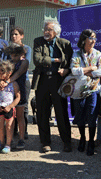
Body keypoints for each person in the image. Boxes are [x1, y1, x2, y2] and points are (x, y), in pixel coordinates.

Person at [32, 20, 73, 153]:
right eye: (45, 29)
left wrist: (65, 69)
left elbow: (69, 62)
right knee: (42, 112)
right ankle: (45, 142)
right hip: (43, 80)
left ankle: (66, 141)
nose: (46, 31)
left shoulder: (64, 43)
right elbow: (37, 60)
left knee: (61, 112)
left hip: (58, 80)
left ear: (56, 32)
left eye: (49, 29)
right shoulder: (38, 41)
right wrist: (55, 60)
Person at [70, 29, 101, 156]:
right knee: (80, 115)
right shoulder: (76, 54)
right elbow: (74, 70)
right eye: (91, 38)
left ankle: (90, 142)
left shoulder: (98, 55)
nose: (94, 40)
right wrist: (90, 68)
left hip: (93, 90)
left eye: (95, 38)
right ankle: (82, 139)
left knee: (92, 115)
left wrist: (84, 71)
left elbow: (100, 72)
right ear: (84, 39)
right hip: (78, 90)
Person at [0, 44, 28, 149]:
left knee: (20, 116)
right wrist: (1, 81)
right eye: (12, 55)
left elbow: (18, 74)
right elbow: (2, 72)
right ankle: (8, 140)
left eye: (15, 55)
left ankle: (22, 139)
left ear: (21, 54)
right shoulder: (9, 63)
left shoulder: (24, 62)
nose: (13, 58)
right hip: (7, 92)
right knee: (8, 117)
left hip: (19, 90)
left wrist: (6, 82)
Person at [0, 60, 21, 154]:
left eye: (2, 72)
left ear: (9, 73)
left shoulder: (14, 84)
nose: (0, 75)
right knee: (0, 127)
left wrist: (10, 106)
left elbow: (18, 97)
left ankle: (8, 144)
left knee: (9, 127)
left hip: (9, 109)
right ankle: (1, 143)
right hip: (0, 109)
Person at [10, 27, 32, 139]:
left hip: (23, 82)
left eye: (16, 34)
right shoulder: (9, 49)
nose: (14, 36)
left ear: (22, 36)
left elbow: (24, 66)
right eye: (12, 34)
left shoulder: (27, 48)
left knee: (23, 107)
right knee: (12, 105)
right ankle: (12, 131)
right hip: (11, 83)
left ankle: (24, 131)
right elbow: (5, 64)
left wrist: (11, 78)